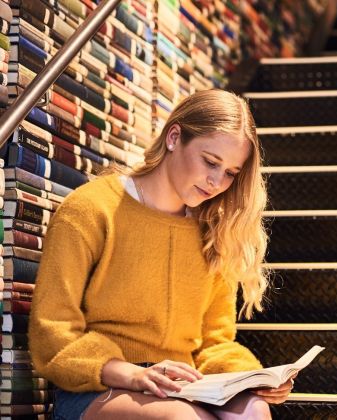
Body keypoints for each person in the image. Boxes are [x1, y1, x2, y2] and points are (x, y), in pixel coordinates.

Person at [28, 89, 296, 420]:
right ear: (173, 137)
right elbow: (52, 333)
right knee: (180, 418)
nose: (216, 181)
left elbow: (214, 343)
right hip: (98, 388)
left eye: (231, 172)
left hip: (182, 387)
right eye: (210, 162)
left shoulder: (214, 231)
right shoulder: (90, 209)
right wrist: (133, 375)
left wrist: (253, 380)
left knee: (253, 410)